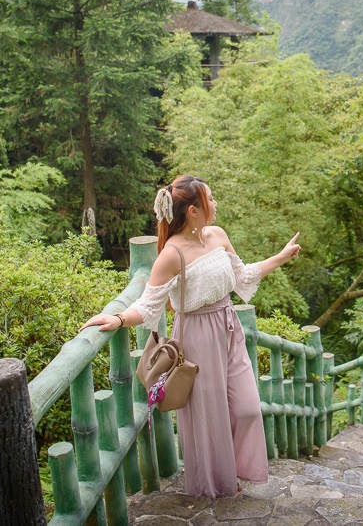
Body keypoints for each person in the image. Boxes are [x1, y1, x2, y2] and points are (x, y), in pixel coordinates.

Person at [80, 174, 301, 498]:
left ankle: (237, 468)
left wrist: (281, 257)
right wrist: (117, 317)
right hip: (196, 336)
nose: (215, 204)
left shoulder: (218, 236)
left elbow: (242, 276)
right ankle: (218, 485)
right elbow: (149, 304)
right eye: (210, 199)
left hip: (228, 328)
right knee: (207, 415)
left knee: (247, 408)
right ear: (194, 210)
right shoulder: (171, 254)